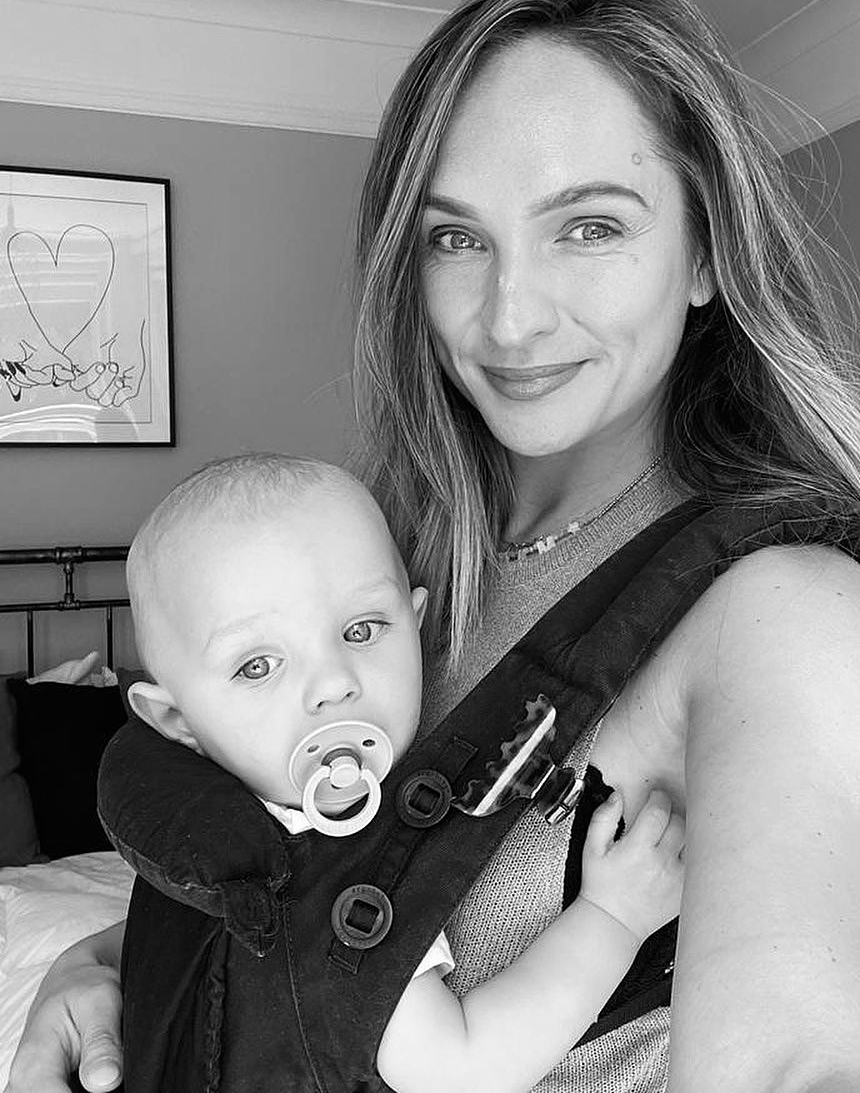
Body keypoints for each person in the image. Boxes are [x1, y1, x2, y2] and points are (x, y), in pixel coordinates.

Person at [9, 0, 860, 1093]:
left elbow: (803, 1049)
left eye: (589, 227)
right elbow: (296, 898)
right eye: (456, 238)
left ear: (707, 252)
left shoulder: (783, 610)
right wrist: (96, 961)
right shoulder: (376, 568)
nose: (509, 318)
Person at [105, 451, 685, 1093]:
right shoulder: (334, 872)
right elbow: (460, 1072)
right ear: (176, 720)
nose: (333, 684)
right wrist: (614, 917)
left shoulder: (195, 834)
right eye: (257, 666)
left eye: (361, 630)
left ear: (416, 625)